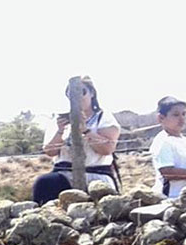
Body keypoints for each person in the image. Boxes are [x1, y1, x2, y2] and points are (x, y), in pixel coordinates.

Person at [32, 75, 122, 205]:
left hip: (95, 172)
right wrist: (60, 130)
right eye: (71, 94)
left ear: (92, 93)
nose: (77, 98)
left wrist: (86, 130)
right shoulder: (58, 120)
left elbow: (107, 149)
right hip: (62, 172)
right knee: (43, 183)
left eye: (82, 92)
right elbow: (49, 151)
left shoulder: (104, 118)